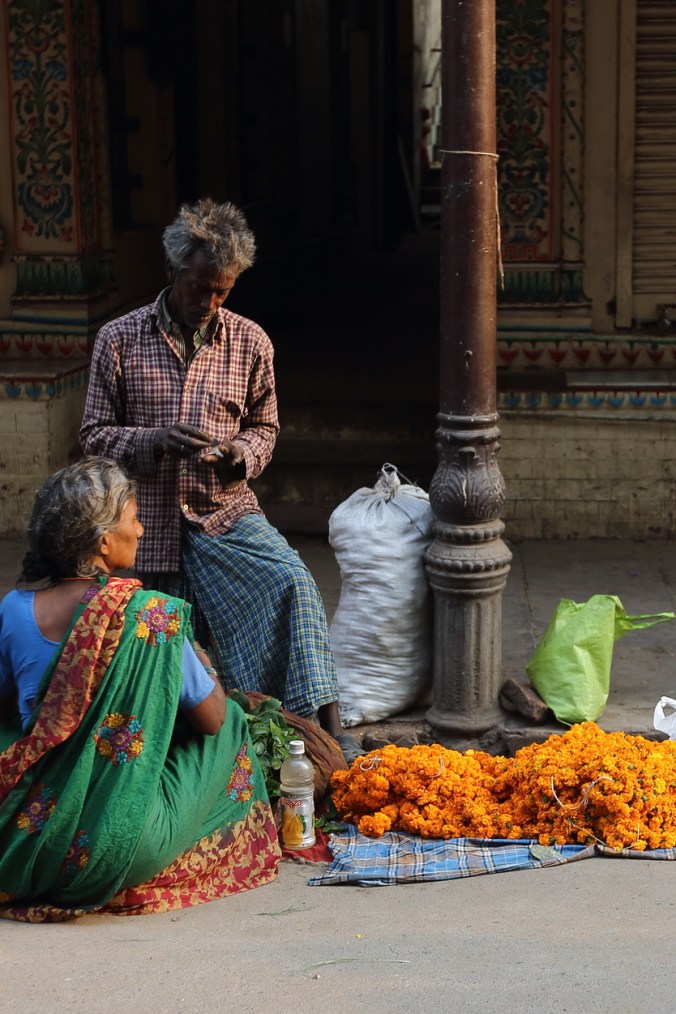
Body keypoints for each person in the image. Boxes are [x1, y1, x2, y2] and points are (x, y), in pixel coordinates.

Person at [79, 197, 359, 761]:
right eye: (199, 285)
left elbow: (265, 425)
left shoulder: (251, 341)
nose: (209, 301)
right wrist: (150, 441)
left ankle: (321, 735)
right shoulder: (119, 339)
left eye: (223, 290)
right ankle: (192, 746)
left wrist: (243, 457)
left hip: (224, 514)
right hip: (145, 522)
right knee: (155, 639)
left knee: (295, 587)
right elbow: (91, 436)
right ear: (172, 271)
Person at [0, 458, 280, 921]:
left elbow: (11, 713)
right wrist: (201, 665)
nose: (143, 530)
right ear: (104, 541)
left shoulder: (13, 610)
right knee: (229, 717)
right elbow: (209, 720)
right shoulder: (153, 617)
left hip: (30, 840)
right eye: (134, 518)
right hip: (121, 845)